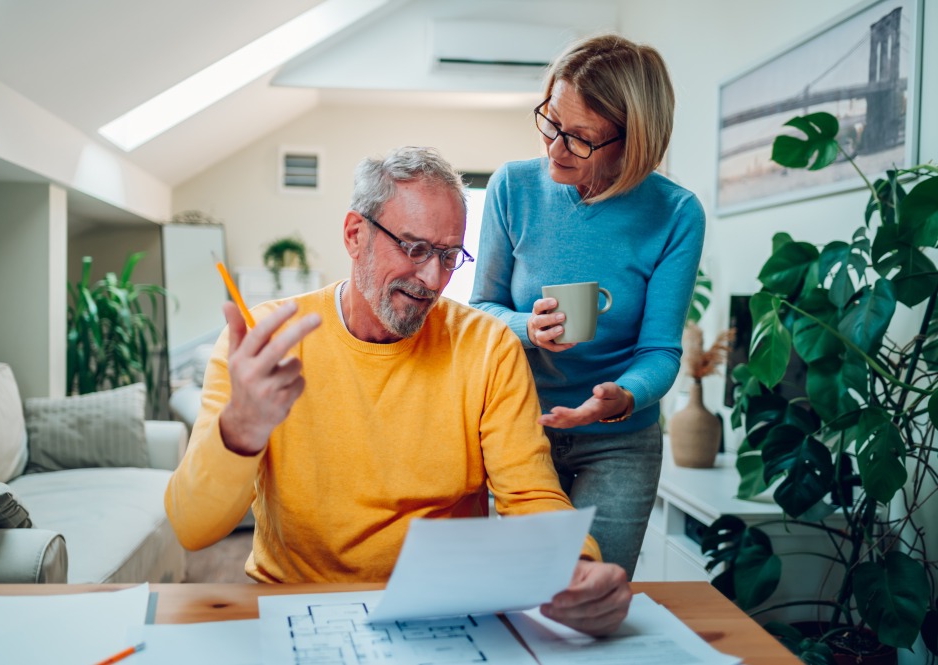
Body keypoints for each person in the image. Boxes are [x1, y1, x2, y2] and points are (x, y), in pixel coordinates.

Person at [165, 146, 631, 636]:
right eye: (414, 249)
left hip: (445, 612)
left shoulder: (488, 346)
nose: (433, 278)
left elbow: (530, 493)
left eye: (449, 255)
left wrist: (576, 564)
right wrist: (240, 429)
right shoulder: (263, 345)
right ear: (355, 234)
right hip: (296, 608)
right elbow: (193, 528)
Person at [470, 34, 705, 580]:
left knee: (593, 596)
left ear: (633, 142)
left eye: (579, 138)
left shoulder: (675, 214)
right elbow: (482, 306)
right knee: (523, 588)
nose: (554, 148)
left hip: (621, 442)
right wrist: (527, 327)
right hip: (522, 430)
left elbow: (661, 351)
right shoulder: (513, 187)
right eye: (550, 122)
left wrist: (623, 397)